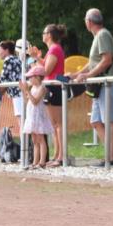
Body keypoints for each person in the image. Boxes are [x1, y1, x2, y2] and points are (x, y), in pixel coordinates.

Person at [73, 8, 113, 167]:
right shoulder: (99, 36)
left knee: (108, 120)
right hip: (100, 86)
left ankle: (111, 157)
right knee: (96, 121)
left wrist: (88, 76)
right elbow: (93, 62)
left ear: (89, 22)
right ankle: (109, 153)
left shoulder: (102, 35)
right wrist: (77, 74)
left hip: (107, 84)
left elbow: (106, 60)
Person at [40, 24, 67, 167]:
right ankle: (57, 155)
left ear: (49, 35)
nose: (42, 35)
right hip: (51, 87)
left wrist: (36, 64)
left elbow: (46, 70)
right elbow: (46, 68)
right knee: (54, 125)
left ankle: (61, 156)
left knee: (58, 124)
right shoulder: (53, 49)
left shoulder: (54, 49)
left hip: (54, 87)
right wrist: (36, 58)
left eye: (44, 32)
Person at [21, 65, 53, 169]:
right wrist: (24, 91)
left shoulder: (42, 88)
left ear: (38, 77)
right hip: (31, 116)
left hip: (38, 116)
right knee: (34, 140)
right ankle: (35, 161)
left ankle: (42, 161)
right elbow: (27, 101)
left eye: (31, 77)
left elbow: (35, 101)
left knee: (41, 139)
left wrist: (27, 91)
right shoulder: (33, 87)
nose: (29, 79)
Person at [0, 40, 24, 134]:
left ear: (6, 50)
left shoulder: (8, 59)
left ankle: (24, 147)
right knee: (23, 120)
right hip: (22, 91)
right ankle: (27, 146)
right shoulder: (16, 59)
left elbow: (4, 76)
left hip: (18, 93)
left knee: (21, 120)